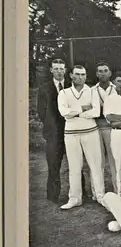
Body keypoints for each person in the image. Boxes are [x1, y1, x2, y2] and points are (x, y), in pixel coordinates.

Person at [57, 64, 105, 209]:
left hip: (91, 131)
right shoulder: (64, 93)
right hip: (71, 134)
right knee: (74, 167)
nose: (80, 77)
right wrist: (83, 108)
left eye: (83, 74)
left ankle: (100, 195)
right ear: (71, 75)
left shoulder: (92, 91)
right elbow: (63, 113)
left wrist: (75, 113)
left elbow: (96, 112)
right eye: (77, 74)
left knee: (96, 165)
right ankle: (75, 198)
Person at [37, 58, 71, 203]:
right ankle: (53, 196)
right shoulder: (44, 88)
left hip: (70, 131)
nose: (59, 71)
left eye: (61, 68)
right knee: (53, 165)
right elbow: (41, 112)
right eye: (56, 68)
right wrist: (51, 126)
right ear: (51, 70)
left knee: (76, 165)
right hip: (53, 134)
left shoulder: (71, 86)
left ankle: (78, 193)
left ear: (65, 70)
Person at [91, 62, 118, 194]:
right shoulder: (91, 90)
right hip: (96, 128)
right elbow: (92, 111)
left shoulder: (117, 88)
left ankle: (119, 190)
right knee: (97, 161)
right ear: (96, 74)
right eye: (100, 71)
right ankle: (98, 193)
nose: (102, 73)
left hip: (113, 129)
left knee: (115, 160)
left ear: (110, 73)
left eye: (105, 70)